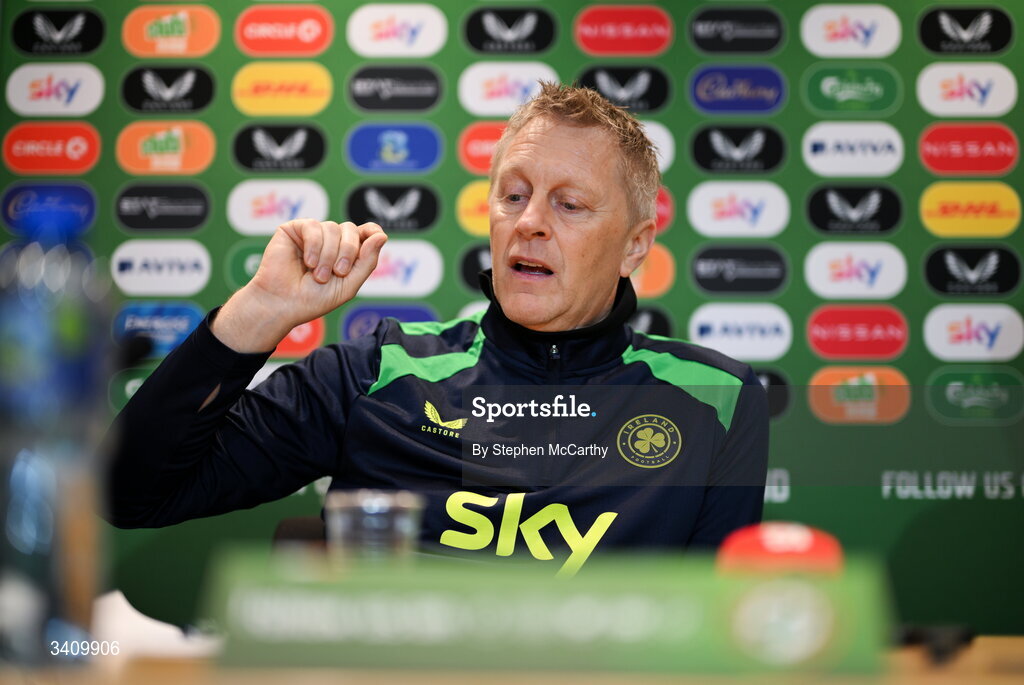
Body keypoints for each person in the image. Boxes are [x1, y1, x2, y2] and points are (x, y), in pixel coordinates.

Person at [106, 83, 768, 577]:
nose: (529, 222)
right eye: (513, 195)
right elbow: (130, 492)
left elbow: (708, 632)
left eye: (568, 204)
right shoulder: (378, 373)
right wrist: (259, 311)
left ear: (634, 245)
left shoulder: (716, 400)